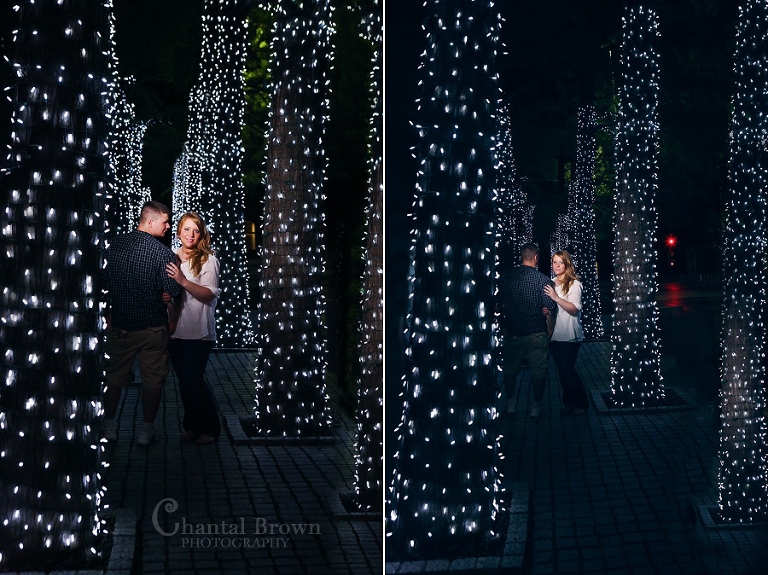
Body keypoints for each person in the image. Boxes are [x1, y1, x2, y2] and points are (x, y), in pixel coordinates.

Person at [102, 201, 182, 445]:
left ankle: (109, 426)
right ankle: (146, 430)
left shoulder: (113, 245)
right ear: (150, 222)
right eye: (165, 222)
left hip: (122, 325)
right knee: (153, 380)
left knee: (114, 378)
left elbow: (103, 282)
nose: (168, 226)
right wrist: (169, 296)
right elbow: (173, 291)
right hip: (152, 328)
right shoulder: (163, 254)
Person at [164, 212, 221, 445]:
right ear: (178, 232)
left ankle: (210, 429)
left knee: (194, 379)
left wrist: (183, 282)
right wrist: (165, 296)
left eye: (196, 230)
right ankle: (192, 427)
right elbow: (168, 290)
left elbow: (208, 294)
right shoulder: (171, 257)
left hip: (199, 331)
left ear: (201, 235)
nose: (191, 234)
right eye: (187, 229)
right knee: (184, 382)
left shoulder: (209, 260)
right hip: (175, 329)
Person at [498, 243, 558, 417]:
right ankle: (535, 406)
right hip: (536, 333)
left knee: (510, 370)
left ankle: (510, 403)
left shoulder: (506, 278)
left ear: (521, 256)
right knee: (538, 371)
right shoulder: (543, 280)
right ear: (536, 258)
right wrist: (550, 331)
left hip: (514, 332)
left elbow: (497, 305)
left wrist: (503, 328)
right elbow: (550, 309)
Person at [543, 250, 588, 415]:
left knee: (568, 370)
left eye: (561, 262)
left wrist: (556, 298)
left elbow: (574, 309)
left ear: (567, 264)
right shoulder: (551, 282)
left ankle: (582, 403)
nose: (557, 265)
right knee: (562, 372)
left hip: (570, 335)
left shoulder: (574, 284)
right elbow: (553, 309)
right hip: (554, 334)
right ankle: (568, 402)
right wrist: (546, 311)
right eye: (555, 262)